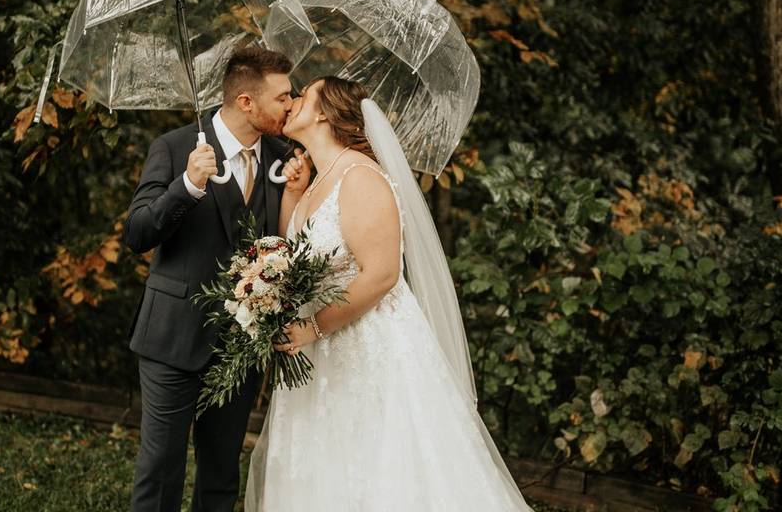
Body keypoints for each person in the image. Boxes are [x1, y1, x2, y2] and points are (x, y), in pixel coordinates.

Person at [244, 76, 535, 511]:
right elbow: (294, 256)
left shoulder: (361, 176)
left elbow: (381, 276)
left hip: (367, 346)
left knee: (381, 464)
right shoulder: (319, 178)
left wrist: (314, 327)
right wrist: (293, 194)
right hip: (319, 351)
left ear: (324, 113)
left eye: (303, 95)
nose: (294, 101)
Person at [123, 46, 310, 512]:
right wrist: (185, 186)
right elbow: (137, 232)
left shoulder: (287, 158)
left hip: (241, 346)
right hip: (172, 337)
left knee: (222, 474)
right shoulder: (174, 147)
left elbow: (286, 248)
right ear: (247, 102)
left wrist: (296, 195)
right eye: (283, 97)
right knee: (160, 469)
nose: (292, 105)